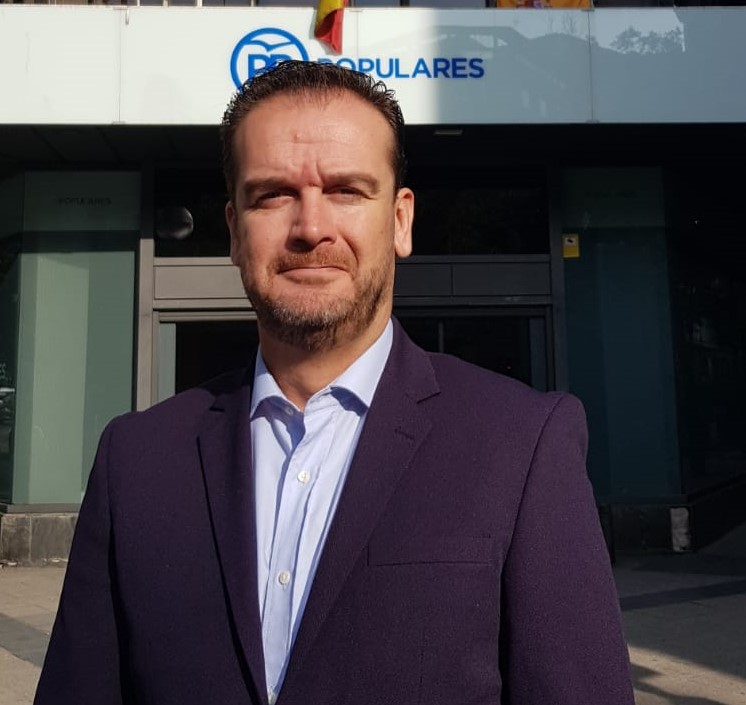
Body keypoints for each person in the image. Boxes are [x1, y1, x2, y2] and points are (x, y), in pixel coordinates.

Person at [35, 61, 634, 705]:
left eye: (346, 190)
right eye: (273, 194)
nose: (311, 227)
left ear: (400, 221)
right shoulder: (135, 461)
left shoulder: (522, 445)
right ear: (234, 231)